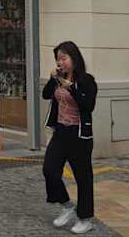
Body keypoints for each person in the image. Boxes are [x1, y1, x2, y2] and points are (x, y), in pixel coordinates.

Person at [42, 41, 98, 235]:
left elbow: (88, 105)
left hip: (79, 135)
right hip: (60, 132)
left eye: (63, 58)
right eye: (58, 59)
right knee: (49, 170)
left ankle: (85, 219)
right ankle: (67, 205)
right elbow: (45, 95)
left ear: (74, 59)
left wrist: (72, 87)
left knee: (83, 178)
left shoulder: (87, 80)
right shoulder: (58, 79)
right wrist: (53, 79)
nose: (60, 62)